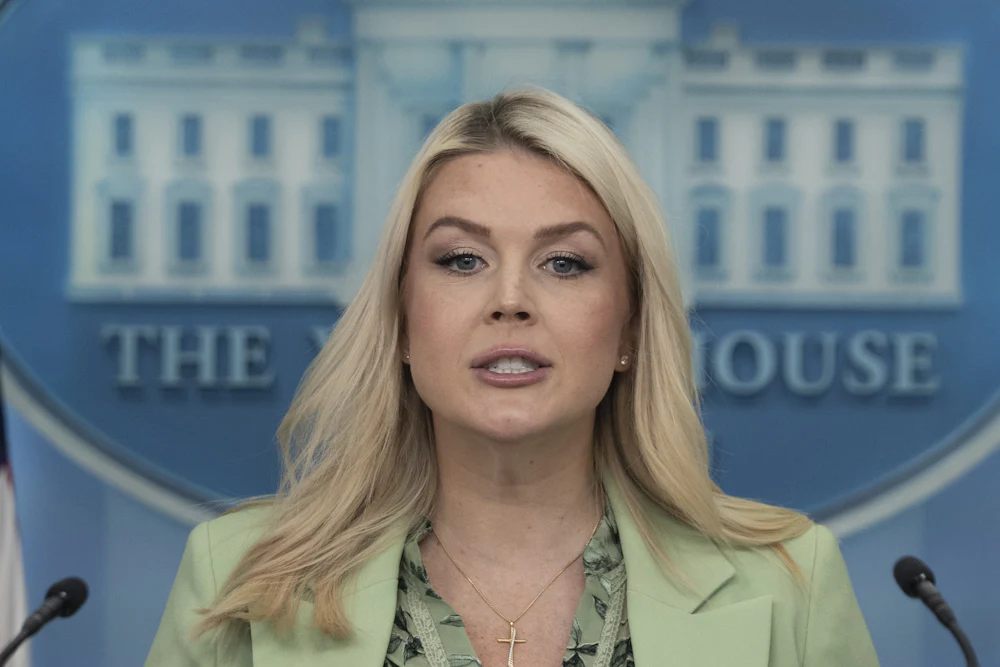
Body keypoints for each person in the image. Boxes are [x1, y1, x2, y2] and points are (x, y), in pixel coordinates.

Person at [145, 87, 880, 667]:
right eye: (462, 259)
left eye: (565, 262)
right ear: (401, 319)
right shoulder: (239, 578)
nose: (509, 299)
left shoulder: (790, 581)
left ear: (628, 328)